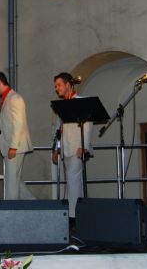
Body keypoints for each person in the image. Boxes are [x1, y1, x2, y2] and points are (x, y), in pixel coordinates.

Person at [0, 71, 35, 200]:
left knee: (11, 180)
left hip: (15, 146)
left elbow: (18, 124)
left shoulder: (15, 99)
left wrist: (13, 147)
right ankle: (33, 203)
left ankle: (10, 208)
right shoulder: (8, 98)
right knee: (15, 179)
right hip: (11, 145)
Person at [52, 72, 92, 222]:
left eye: (59, 85)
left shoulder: (80, 101)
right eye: (56, 86)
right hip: (65, 149)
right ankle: (76, 214)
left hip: (77, 148)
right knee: (72, 182)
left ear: (68, 85)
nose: (56, 88)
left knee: (73, 180)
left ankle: (73, 217)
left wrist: (84, 146)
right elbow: (59, 129)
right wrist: (56, 149)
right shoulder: (62, 105)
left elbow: (87, 125)